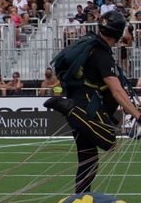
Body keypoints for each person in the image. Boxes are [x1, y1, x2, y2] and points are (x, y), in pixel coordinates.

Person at [45, 11, 141, 193]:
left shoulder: (93, 48)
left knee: (88, 157)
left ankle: (81, 198)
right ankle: (68, 109)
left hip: (76, 97)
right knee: (108, 140)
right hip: (84, 102)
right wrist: (138, 115)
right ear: (118, 33)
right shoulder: (101, 53)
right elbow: (117, 91)